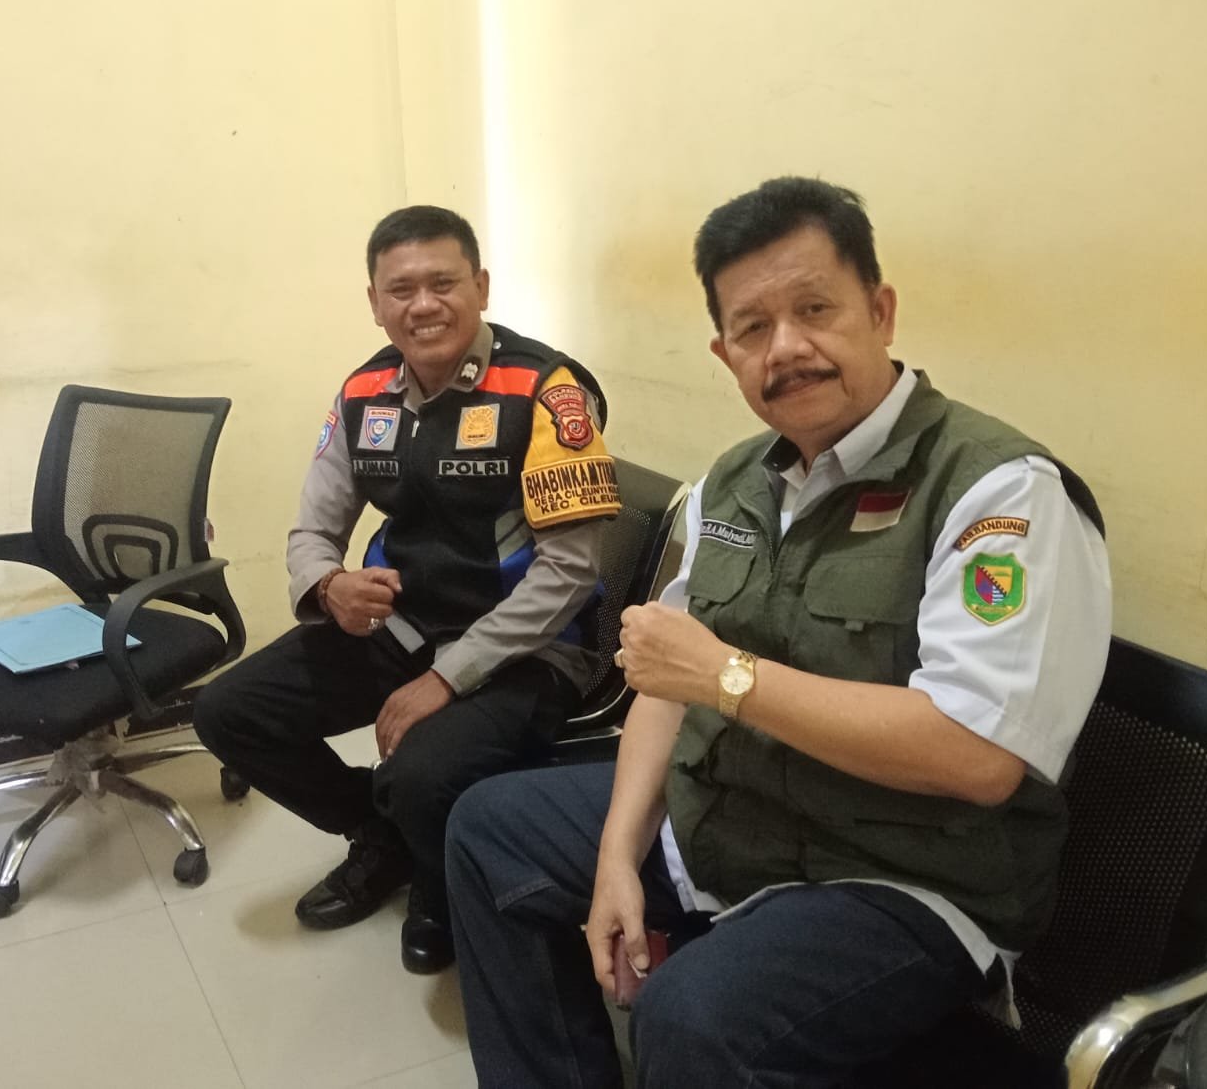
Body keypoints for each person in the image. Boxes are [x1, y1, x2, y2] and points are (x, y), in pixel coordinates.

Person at [445, 177, 1112, 1086]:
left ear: (879, 311)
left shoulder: (998, 492)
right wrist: (615, 861)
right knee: (488, 828)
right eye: (753, 328)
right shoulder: (734, 482)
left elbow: (977, 755)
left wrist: (727, 676)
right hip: (736, 822)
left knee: (695, 1018)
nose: (787, 347)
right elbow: (667, 680)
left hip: (901, 877)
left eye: (815, 309)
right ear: (725, 355)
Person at [192, 204, 622, 974]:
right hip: (404, 626)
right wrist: (329, 585)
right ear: (375, 302)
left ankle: (439, 880)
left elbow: (569, 572)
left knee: (420, 771)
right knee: (229, 711)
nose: (423, 305)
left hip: (526, 648)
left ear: (480, 287)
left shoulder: (546, 390)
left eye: (443, 284)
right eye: (401, 289)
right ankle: (383, 834)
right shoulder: (364, 392)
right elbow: (311, 530)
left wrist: (446, 678)